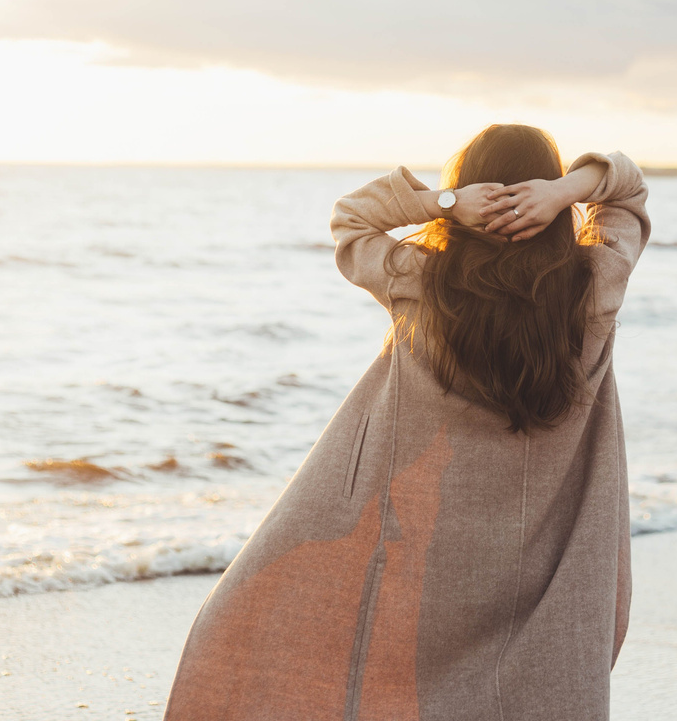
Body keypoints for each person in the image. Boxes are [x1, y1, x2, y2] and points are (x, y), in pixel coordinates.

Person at [164, 124, 650, 721]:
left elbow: (351, 220)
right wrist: (565, 191)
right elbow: (627, 188)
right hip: (544, 547)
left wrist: (442, 203)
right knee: (523, 687)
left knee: (415, 689)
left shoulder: (420, 282)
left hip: (434, 547)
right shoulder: (598, 285)